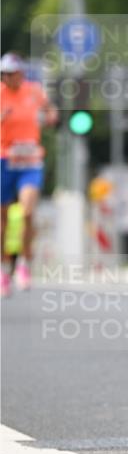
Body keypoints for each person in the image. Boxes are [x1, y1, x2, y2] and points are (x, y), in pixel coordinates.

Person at [1, 52, 58, 296]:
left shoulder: (33, 91)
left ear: (21, 73)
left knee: (27, 211)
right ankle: (4, 269)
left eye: (12, 73)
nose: (8, 78)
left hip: (30, 160)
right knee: (2, 219)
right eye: (4, 74)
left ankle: (23, 264)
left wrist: (49, 117)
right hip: (4, 160)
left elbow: (51, 111)